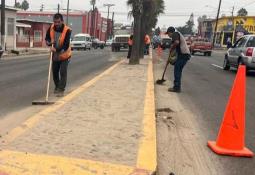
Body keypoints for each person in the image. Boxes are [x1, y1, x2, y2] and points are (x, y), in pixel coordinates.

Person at [45, 13, 72, 95]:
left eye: (58, 22)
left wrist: (56, 49)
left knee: (63, 71)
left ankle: (61, 89)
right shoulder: (51, 27)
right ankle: (57, 87)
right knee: (55, 72)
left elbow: (66, 45)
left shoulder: (67, 30)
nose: (56, 24)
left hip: (64, 55)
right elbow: (47, 38)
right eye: (55, 22)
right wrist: (49, 42)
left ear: (62, 21)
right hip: (55, 55)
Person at [166, 26, 191, 93]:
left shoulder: (175, 34)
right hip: (184, 55)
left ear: (170, 32)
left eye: (168, 34)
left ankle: (176, 88)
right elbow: (175, 51)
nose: (168, 36)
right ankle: (177, 87)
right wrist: (170, 58)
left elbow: (176, 42)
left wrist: (172, 48)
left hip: (184, 55)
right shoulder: (177, 35)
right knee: (178, 70)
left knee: (177, 70)